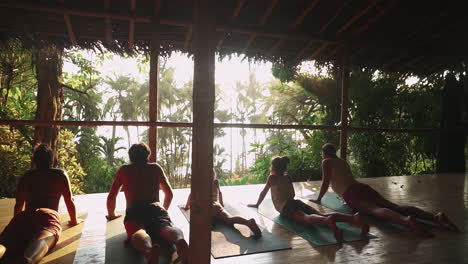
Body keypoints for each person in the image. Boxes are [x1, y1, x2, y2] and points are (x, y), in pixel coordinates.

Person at [311, 143, 459, 237]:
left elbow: (325, 182)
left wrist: (319, 199)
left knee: (375, 210)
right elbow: (342, 179)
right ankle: (436, 218)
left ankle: (406, 221)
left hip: (352, 193)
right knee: (395, 206)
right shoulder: (341, 161)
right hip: (361, 187)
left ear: (324, 153)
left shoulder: (326, 162)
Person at [248, 156, 369, 241]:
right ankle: (353, 218)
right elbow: (293, 193)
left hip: (286, 207)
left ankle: (328, 222)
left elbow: (264, 192)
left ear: (273, 167)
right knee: (321, 215)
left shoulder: (272, 177)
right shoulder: (287, 177)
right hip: (295, 202)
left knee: (305, 218)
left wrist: (257, 204)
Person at [106, 143, 189, 264]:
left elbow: (112, 196)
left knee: (138, 231)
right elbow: (169, 193)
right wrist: (163, 210)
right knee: (166, 227)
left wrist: (111, 214)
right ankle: (179, 240)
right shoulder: (155, 168)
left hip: (135, 209)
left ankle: (148, 251)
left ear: (130, 156)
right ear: (147, 155)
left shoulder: (124, 170)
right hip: (156, 208)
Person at [0, 143, 80, 264]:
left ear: (35, 161)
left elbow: (19, 204)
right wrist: (74, 220)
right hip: (48, 217)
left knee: (4, 243)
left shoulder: (26, 176)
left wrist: (15, 225)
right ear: (52, 160)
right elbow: (70, 200)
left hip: (24, 216)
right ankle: (27, 260)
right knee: (42, 240)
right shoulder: (60, 174)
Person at [183, 170, 262, 237]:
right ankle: (248, 222)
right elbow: (220, 194)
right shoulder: (216, 182)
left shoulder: (200, 184)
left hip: (207, 208)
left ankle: (211, 221)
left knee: (202, 220)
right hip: (217, 206)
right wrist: (222, 205)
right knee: (229, 219)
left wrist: (187, 206)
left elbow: (191, 195)